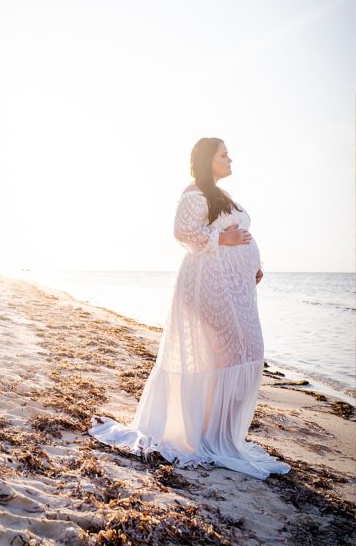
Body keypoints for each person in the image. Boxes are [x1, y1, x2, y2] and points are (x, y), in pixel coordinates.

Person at [88, 137, 290, 478]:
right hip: (209, 285)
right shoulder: (194, 193)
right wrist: (223, 241)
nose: (230, 159)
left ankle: (222, 435)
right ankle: (201, 435)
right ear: (207, 160)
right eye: (224, 155)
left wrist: (251, 264)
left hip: (236, 288)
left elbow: (236, 234)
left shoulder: (223, 196)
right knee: (226, 354)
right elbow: (183, 232)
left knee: (246, 350)